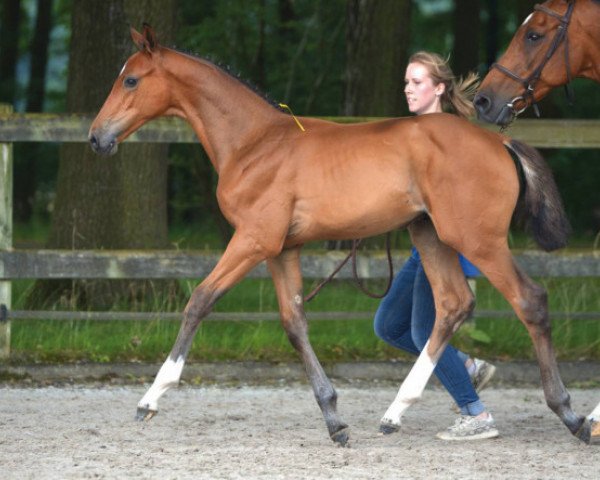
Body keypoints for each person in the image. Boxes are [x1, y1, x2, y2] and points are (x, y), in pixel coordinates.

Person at [374, 51, 498, 441]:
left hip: (443, 247)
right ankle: (467, 365)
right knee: (388, 326)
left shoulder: (448, 135)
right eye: (407, 82)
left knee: (423, 331)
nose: (408, 89)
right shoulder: (416, 132)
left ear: (439, 88)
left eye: (417, 82)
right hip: (420, 247)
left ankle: (475, 414)